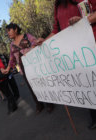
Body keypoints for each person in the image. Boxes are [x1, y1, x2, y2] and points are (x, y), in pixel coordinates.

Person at [37, 0, 96, 129]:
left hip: (92, 46)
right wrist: (44, 41)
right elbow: (56, 30)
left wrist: (84, 21)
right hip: (75, 54)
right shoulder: (57, 5)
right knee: (88, 85)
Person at [5, 23, 54, 114]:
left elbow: (34, 42)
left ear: (15, 29)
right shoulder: (12, 45)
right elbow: (12, 58)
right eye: (7, 32)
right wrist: (8, 68)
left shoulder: (26, 36)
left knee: (42, 84)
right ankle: (39, 105)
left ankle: (49, 103)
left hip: (34, 65)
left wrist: (37, 42)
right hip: (24, 69)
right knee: (32, 87)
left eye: (9, 30)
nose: (8, 33)